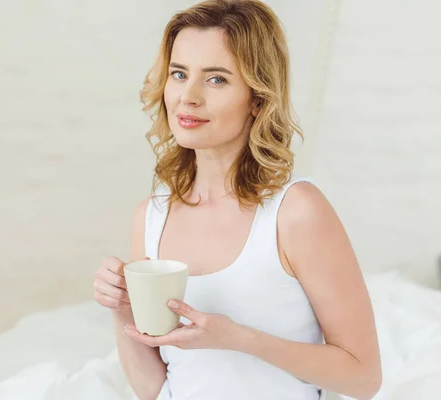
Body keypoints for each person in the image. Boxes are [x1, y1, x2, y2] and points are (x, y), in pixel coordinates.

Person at [93, 0, 382, 399]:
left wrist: (240, 338)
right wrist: (121, 306)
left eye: (216, 80)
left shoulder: (296, 212)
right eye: (179, 74)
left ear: (258, 98)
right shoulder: (151, 217)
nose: (187, 97)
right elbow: (154, 388)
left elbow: (364, 378)